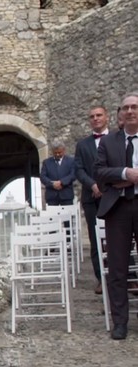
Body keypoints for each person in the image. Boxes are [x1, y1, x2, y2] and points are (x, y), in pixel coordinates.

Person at [95, 92, 138, 340]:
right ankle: (120, 322)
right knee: (118, 268)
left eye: (134, 107)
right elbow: (99, 172)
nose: (130, 111)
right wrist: (125, 174)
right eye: (126, 108)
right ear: (120, 113)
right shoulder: (109, 142)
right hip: (118, 209)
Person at [75, 106, 109, 294]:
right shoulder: (82, 144)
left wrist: (107, 187)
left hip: (114, 196)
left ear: (107, 117)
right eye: (92, 117)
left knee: (121, 236)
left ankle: (129, 277)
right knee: (95, 239)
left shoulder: (117, 139)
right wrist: (93, 185)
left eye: (99, 115)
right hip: (91, 198)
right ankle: (100, 278)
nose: (95, 119)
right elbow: (79, 169)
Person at [40, 141, 76, 206]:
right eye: (55, 153)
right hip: (51, 197)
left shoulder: (71, 161)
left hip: (66, 196)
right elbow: (43, 177)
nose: (57, 154)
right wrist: (52, 184)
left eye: (59, 152)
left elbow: (73, 175)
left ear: (64, 151)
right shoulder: (46, 162)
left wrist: (61, 182)